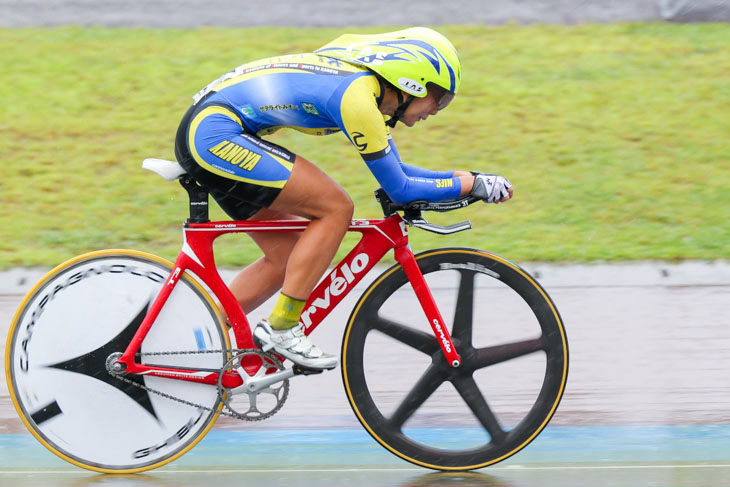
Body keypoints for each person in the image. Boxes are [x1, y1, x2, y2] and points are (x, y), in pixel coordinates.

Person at [174, 27, 513, 370]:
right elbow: (401, 189)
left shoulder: (363, 91)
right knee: (335, 209)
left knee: (291, 257)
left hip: (215, 131)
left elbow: (397, 171)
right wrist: (470, 186)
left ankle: (186, 340)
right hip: (216, 134)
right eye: (439, 97)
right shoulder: (356, 98)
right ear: (413, 83)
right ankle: (282, 328)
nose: (438, 109)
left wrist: (464, 180)